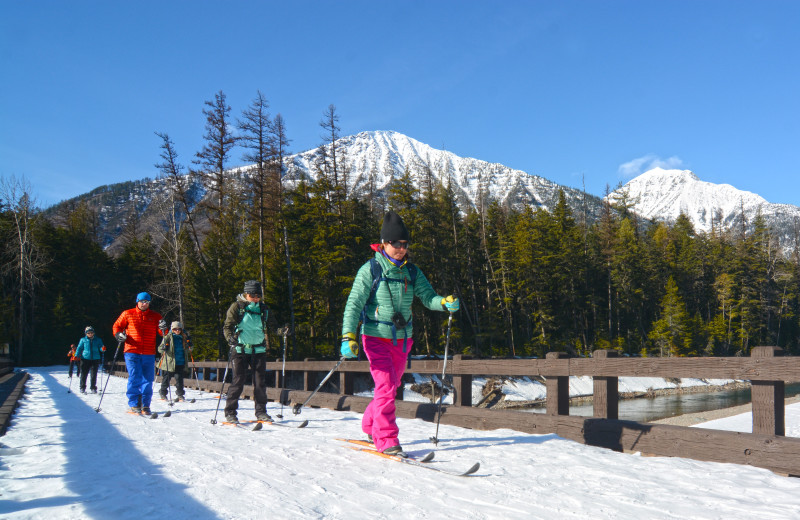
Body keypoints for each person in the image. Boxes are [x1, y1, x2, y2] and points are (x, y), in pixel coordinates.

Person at [340, 210, 459, 456]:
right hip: (374, 336)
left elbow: (428, 297)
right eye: (396, 243)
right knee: (384, 386)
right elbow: (353, 304)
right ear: (384, 243)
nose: (401, 248)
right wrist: (347, 336)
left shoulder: (412, 272)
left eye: (405, 244)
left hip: (403, 340)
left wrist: (444, 303)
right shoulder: (370, 270)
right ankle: (386, 439)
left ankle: (370, 425)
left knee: (391, 387)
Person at [222, 280, 279, 424]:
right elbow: (227, 327)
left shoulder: (263, 309)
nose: (256, 298)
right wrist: (230, 339)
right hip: (240, 349)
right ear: (246, 294)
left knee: (260, 383)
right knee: (238, 381)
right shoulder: (237, 307)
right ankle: (230, 412)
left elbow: (273, 326)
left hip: (258, 349)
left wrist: (281, 331)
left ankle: (261, 412)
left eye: (258, 295)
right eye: (253, 295)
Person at [112, 292, 167, 414]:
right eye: (142, 301)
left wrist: (163, 327)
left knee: (148, 379)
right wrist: (118, 335)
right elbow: (117, 326)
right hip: (132, 350)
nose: (144, 304)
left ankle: (145, 405)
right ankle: (134, 403)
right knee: (135, 377)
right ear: (137, 301)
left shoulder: (156, 316)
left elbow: (163, 332)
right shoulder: (128, 313)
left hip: (148, 352)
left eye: (146, 302)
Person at [157, 321, 191, 402]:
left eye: (179, 329)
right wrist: (163, 348)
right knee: (166, 379)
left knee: (179, 379)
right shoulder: (168, 337)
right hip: (169, 362)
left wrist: (190, 346)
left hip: (180, 362)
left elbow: (190, 348)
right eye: (175, 329)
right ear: (172, 329)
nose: (177, 331)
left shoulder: (185, 337)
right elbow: (159, 349)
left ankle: (180, 394)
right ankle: (163, 393)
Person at [75, 326, 106, 393]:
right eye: (88, 333)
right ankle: (82, 387)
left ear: (93, 333)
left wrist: (102, 349)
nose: (90, 334)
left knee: (94, 374)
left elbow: (101, 347)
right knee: (84, 373)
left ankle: (93, 387)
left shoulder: (98, 339)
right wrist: (76, 355)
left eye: (91, 332)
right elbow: (79, 348)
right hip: (85, 358)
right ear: (86, 333)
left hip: (95, 358)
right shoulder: (83, 340)